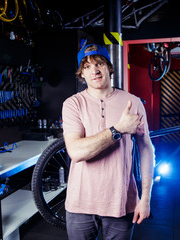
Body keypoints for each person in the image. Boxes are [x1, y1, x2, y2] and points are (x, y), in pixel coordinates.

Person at [62, 43, 155, 240]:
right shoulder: (73, 104)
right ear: (82, 74)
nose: (94, 70)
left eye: (99, 64)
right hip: (80, 203)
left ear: (109, 67)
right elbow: (77, 152)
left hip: (121, 202)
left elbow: (146, 149)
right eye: (87, 66)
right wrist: (118, 129)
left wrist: (146, 197)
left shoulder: (134, 102)